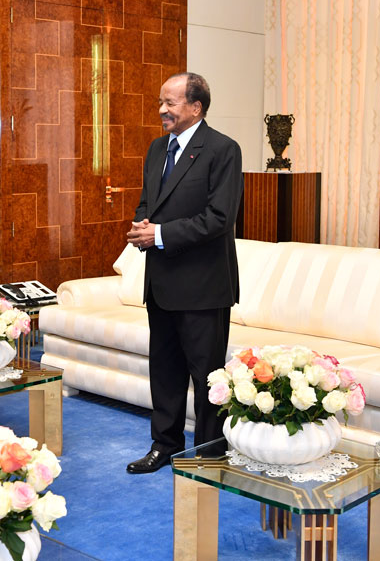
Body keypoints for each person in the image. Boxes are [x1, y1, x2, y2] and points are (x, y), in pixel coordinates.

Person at [125, 72, 243, 473]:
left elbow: (220, 218)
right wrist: (143, 226)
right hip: (161, 283)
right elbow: (148, 203)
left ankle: (210, 454)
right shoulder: (157, 149)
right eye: (161, 102)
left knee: (207, 377)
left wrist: (159, 234)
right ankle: (164, 445)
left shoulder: (223, 150)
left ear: (196, 107)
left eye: (170, 103)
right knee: (165, 371)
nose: (162, 110)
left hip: (204, 285)